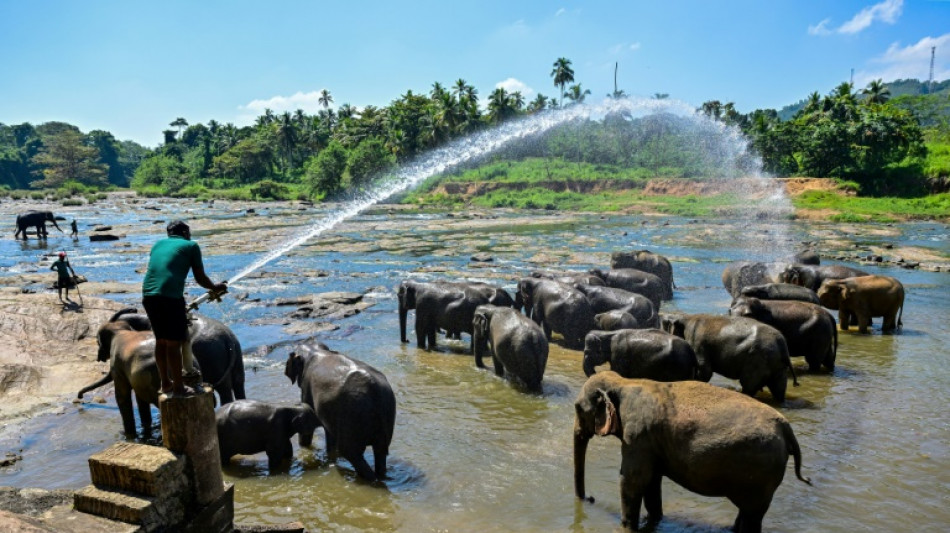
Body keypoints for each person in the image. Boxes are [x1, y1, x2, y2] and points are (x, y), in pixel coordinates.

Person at [142, 220, 227, 396]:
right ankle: (180, 387)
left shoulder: (158, 244)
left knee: (161, 341)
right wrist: (214, 287)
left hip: (149, 295)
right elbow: (200, 277)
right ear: (185, 233)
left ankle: (165, 383)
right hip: (170, 297)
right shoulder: (191, 246)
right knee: (174, 343)